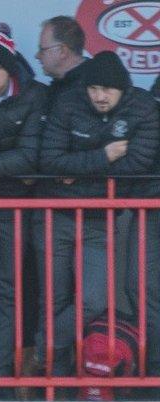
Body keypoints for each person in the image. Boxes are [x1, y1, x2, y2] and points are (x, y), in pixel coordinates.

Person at [40, 52, 155, 373]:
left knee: (93, 300)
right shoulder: (67, 102)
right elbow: (49, 163)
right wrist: (103, 156)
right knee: (53, 299)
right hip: (56, 214)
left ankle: (41, 346)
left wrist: (77, 172)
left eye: (108, 90)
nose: (100, 97)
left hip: (99, 220)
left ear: (123, 89)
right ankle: (53, 378)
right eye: (93, 89)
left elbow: (137, 168)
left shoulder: (143, 107)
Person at [36, 16, 89, 101]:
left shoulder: (90, 92)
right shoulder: (57, 88)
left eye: (42, 49)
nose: (37, 56)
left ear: (62, 51)